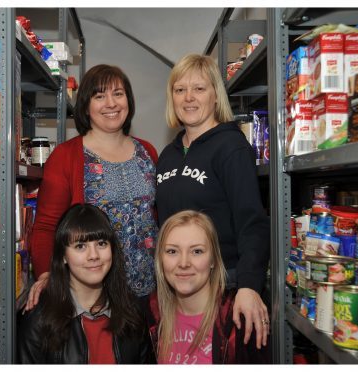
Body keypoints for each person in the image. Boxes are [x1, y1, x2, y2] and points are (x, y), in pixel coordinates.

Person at [155, 54, 270, 349]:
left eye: (199, 89)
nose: (189, 98)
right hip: (179, 289)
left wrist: (248, 285)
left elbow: (252, 222)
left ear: (215, 95)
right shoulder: (168, 154)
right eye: (180, 90)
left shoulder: (231, 148)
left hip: (225, 287)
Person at [26, 64, 158, 311]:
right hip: (93, 294)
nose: (111, 103)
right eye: (100, 96)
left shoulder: (147, 152)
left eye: (118, 94)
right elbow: (46, 226)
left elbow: (156, 216)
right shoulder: (66, 156)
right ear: (86, 105)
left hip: (149, 291)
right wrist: (45, 275)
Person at [18, 203, 155, 364]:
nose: (93, 255)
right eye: (81, 246)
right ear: (63, 256)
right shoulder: (38, 321)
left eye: (101, 244)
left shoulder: (133, 314)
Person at [144, 210, 269, 364]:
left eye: (197, 251)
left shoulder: (238, 320)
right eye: (172, 251)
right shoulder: (150, 314)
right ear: (160, 260)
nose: (184, 263)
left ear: (213, 260)